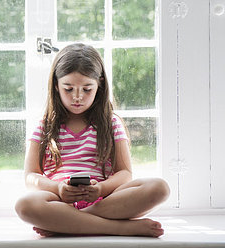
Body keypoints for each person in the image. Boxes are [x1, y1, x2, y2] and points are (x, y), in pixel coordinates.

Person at [14, 43, 170, 237]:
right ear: (56, 84)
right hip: (59, 201)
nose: (77, 97)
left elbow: (125, 173)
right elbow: (31, 176)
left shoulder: (111, 123)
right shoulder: (45, 125)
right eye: (68, 89)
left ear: (99, 85)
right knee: (25, 205)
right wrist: (59, 188)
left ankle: (69, 223)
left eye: (87, 89)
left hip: (104, 199)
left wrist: (101, 188)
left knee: (159, 188)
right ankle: (120, 228)